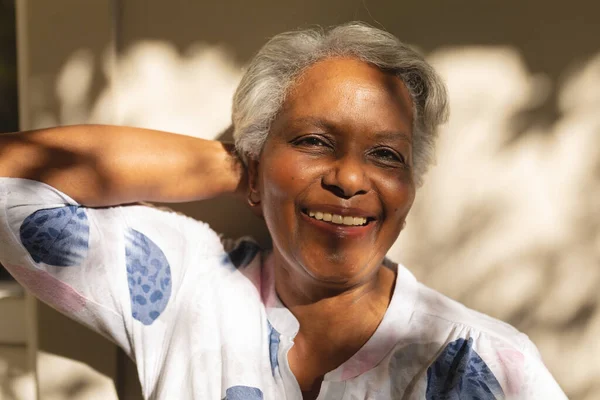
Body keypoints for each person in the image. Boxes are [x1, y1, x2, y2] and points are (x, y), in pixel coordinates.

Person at [0, 22, 566, 400]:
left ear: (410, 188)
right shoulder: (187, 286)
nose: (348, 178)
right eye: (313, 141)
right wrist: (231, 166)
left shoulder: (490, 362)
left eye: (386, 155)